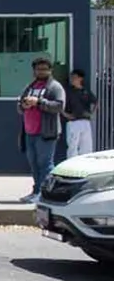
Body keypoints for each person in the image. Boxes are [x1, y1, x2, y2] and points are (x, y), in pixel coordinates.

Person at [17, 56, 66, 202]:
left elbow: (59, 106)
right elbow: (20, 106)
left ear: (50, 70)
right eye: (39, 69)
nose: (42, 72)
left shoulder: (55, 87)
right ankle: (36, 191)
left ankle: (46, 194)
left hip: (46, 133)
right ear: (34, 71)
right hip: (29, 132)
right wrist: (23, 105)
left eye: (45, 69)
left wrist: (38, 102)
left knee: (46, 165)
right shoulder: (30, 86)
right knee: (33, 164)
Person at [63, 68, 98, 159]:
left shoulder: (85, 91)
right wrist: (65, 114)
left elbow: (96, 102)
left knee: (86, 147)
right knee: (72, 147)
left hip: (85, 121)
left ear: (80, 78)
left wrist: (92, 114)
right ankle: (71, 167)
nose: (72, 79)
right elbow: (60, 103)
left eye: (74, 77)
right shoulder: (68, 91)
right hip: (73, 121)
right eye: (71, 77)